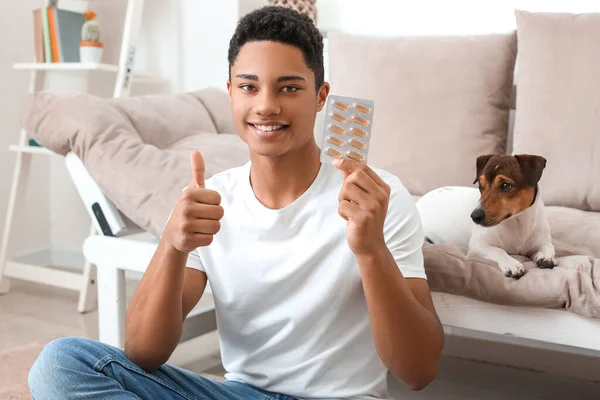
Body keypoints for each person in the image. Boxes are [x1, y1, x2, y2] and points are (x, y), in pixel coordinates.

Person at [28, 6, 444, 400]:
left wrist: (370, 250)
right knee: (60, 364)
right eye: (249, 86)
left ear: (321, 96)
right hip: (240, 393)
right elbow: (143, 353)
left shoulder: (377, 198)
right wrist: (173, 245)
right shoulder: (214, 199)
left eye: (290, 88)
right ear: (231, 93)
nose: (266, 105)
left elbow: (418, 370)